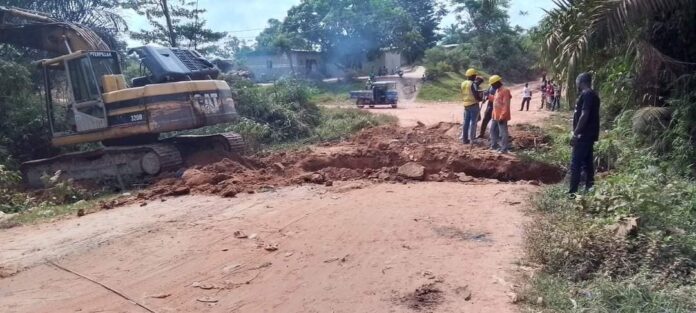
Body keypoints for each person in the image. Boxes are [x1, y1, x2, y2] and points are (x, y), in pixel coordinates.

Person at [569, 72, 600, 194]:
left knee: (576, 163)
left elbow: (584, 114)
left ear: (581, 81)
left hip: (584, 134)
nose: (576, 84)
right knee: (588, 163)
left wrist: (576, 133)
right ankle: (589, 188)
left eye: (577, 81)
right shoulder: (592, 95)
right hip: (589, 134)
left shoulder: (587, 94)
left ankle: (572, 192)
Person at [489, 75, 512, 153]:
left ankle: (504, 148)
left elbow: (506, 105)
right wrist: (488, 96)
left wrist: (502, 116)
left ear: (497, 82)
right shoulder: (497, 90)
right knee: (492, 130)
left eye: (492, 84)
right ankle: (494, 145)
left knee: (503, 133)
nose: (492, 86)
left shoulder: (505, 91)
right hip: (495, 115)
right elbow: (496, 100)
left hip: (502, 116)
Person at [460, 68, 483, 144]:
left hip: (466, 105)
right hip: (473, 105)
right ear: (473, 76)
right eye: (475, 76)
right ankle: (472, 140)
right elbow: (476, 95)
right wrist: (481, 99)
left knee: (466, 122)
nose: (475, 77)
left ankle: (464, 139)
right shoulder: (472, 84)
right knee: (473, 122)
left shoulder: (463, 83)